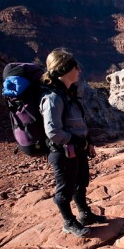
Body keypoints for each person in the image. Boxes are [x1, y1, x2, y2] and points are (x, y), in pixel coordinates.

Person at [40, 48, 106, 237]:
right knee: (65, 188)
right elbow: (53, 132)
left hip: (77, 148)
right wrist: (77, 141)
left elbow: (78, 123)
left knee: (80, 181)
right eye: (75, 66)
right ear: (63, 69)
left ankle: (84, 214)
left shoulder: (68, 93)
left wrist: (87, 141)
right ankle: (69, 222)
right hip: (62, 151)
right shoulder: (52, 98)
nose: (79, 69)